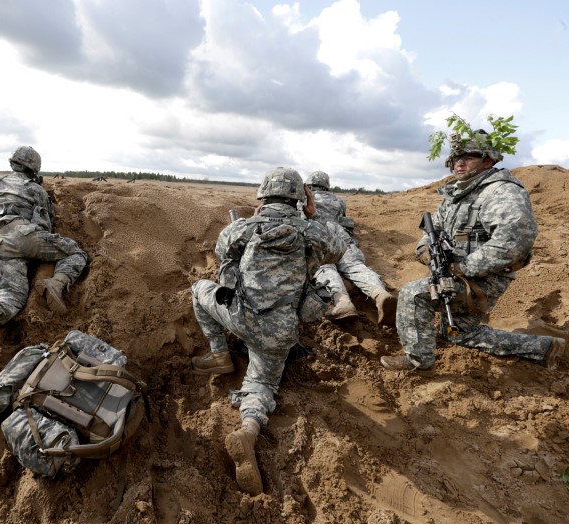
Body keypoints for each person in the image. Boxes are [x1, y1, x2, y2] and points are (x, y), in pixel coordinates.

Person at [190, 167, 347, 495]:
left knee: (199, 289)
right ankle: (248, 429)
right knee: (262, 384)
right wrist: (312, 215)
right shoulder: (311, 230)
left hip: (240, 317)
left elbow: (223, 254)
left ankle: (220, 354)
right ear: (300, 197)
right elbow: (338, 247)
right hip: (280, 332)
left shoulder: (244, 227)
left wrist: (249, 224)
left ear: (262, 196)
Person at [381, 131, 566, 371]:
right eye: (456, 158)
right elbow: (432, 230)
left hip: (484, 278)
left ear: (488, 160)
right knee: (458, 333)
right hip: (455, 273)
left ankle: (418, 361)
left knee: (414, 295)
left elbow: (514, 242)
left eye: (468, 157)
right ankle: (544, 347)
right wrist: (425, 249)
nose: (460, 163)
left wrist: (463, 268)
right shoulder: (457, 194)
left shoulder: (501, 192)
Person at [0, 146, 88, 358]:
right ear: (34, 169)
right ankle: (56, 283)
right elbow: (45, 224)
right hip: (26, 236)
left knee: (12, 294)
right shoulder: (36, 190)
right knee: (76, 253)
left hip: (0, 243)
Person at [303, 171, 397, 326]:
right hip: (341, 235)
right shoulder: (339, 201)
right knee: (355, 266)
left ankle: (342, 303)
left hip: (318, 232)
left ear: (309, 185)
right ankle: (379, 293)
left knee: (325, 266)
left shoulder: (304, 200)